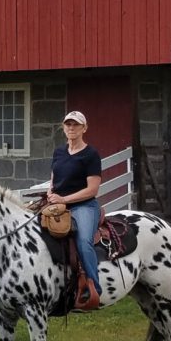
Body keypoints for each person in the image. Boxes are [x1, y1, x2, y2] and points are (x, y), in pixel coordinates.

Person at [47, 110, 103, 311]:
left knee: (83, 241)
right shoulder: (59, 152)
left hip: (83, 205)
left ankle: (93, 288)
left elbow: (92, 189)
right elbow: (54, 179)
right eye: (68, 124)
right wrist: (50, 193)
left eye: (76, 125)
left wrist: (64, 199)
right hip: (57, 204)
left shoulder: (91, 155)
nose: (71, 128)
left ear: (84, 128)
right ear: (64, 128)